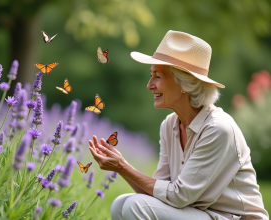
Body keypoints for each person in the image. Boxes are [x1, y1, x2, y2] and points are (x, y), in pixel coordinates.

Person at [88, 30, 269, 220]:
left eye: (157, 76)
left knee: (135, 206)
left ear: (184, 83)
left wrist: (124, 167)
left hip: (231, 217)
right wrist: (119, 167)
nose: (149, 85)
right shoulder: (169, 125)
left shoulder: (218, 129)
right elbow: (158, 191)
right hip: (201, 214)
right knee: (121, 204)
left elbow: (179, 196)